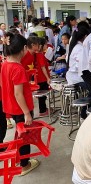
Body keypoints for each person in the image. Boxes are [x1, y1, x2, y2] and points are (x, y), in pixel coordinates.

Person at [1, 32, 40, 175]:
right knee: (25, 136)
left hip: (11, 107)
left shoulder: (5, 64)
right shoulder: (18, 69)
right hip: (20, 109)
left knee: (19, 134)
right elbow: (18, 94)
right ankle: (24, 164)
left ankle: (17, 158)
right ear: (24, 48)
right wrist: (26, 113)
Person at [35, 38, 51, 116]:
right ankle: (43, 110)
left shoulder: (37, 54)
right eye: (45, 44)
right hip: (42, 78)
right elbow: (43, 67)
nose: (46, 46)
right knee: (42, 95)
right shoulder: (40, 55)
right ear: (41, 45)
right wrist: (47, 78)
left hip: (39, 78)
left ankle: (43, 109)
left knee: (42, 94)